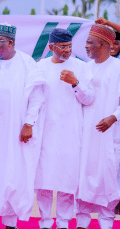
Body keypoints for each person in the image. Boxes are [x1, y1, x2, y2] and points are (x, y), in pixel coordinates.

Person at [0, 23, 46, 229]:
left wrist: (29, 123)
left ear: (11, 43)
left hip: (15, 129)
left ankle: (10, 222)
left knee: (13, 173)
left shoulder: (27, 63)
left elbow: (37, 97)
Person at [34, 28, 95, 229]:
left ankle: (62, 223)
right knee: (43, 181)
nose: (67, 50)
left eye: (69, 46)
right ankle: (44, 222)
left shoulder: (81, 67)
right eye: (62, 46)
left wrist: (75, 83)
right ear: (51, 47)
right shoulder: (41, 66)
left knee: (66, 182)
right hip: (45, 132)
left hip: (70, 132)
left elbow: (89, 99)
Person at [75, 24, 120, 229]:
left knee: (107, 178)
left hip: (110, 135)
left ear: (104, 44)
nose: (86, 47)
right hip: (86, 133)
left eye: (90, 43)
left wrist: (114, 117)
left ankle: (106, 223)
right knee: (82, 178)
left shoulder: (118, 68)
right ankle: (82, 223)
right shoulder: (85, 68)